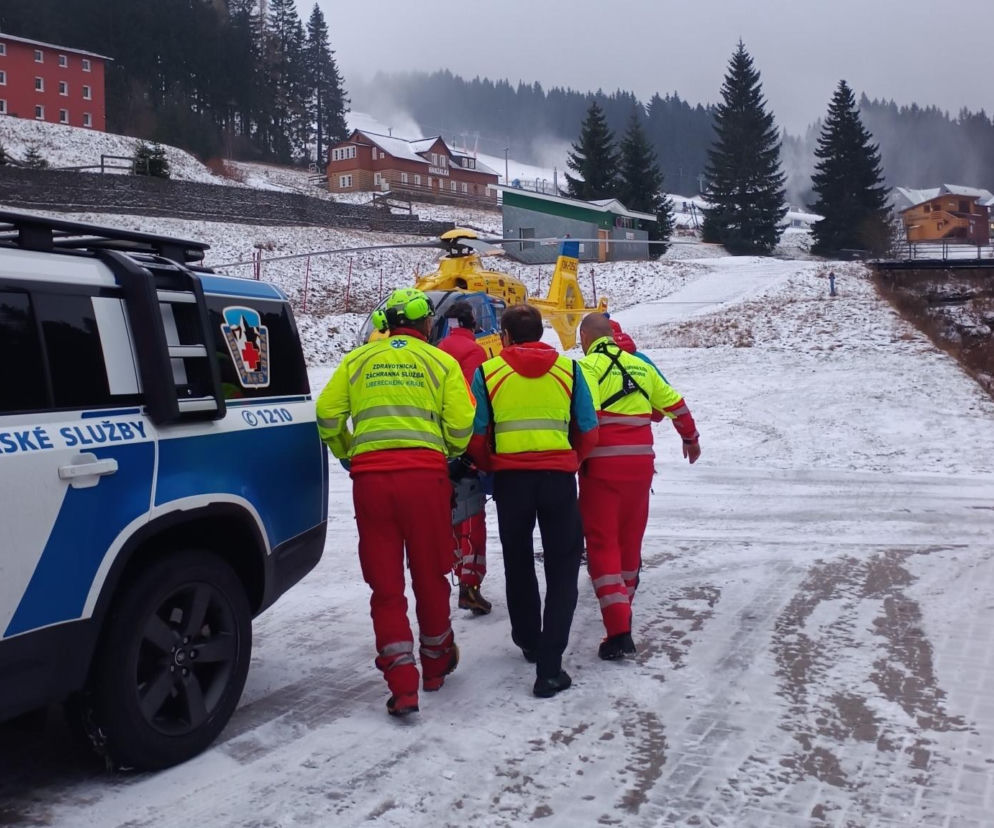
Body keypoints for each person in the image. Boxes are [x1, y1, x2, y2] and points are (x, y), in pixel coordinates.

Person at [316, 288, 476, 717]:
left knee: (385, 587)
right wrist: (445, 453)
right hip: (425, 481)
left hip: (371, 483)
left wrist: (348, 451)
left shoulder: (356, 361)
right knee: (431, 574)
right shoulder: (440, 361)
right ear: (427, 325)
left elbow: (327, 415)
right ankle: (437, 664)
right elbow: (463, 422)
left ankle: (403, 685)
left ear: (386, 324)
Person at [467, 304, 599, 698]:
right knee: (562, 569)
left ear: (505, 336)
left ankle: (528, 639)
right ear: (541, 333)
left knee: (518, 560)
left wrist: (493, 464)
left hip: (511, 481)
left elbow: (476, 434)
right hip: (558, 480)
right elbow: (589, 430)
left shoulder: (487, 373)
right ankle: (550, 666)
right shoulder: (571, 371)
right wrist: (571, 462)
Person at [577, 313, 701, 660]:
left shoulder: (587, 368)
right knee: (630, 541)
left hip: (602, 467)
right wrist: (690, 439)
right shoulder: (641, 367)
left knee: (602, 544)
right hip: (641, 466)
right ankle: (624, 607)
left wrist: (576, 459)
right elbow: (676, 405)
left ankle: (618, 631)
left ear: (586, 337)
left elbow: (586, 420)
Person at [437, 301, 492, 615]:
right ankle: (470, 584)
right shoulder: (475, 353)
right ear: (472, 324)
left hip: (435, 447)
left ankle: (455, 572)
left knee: (449, 514)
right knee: (471, 518)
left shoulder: (437, 350)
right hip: (463, 446)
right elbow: (472, 404)